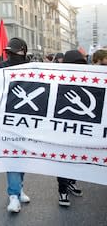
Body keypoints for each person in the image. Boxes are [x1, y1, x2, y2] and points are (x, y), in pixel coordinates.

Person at [0, 37, 31, 213]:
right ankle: (13, 196)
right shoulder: (0, 67)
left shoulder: (33, 68)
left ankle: (19, 188)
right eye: (9, 52)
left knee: (23, 158)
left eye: (15, 52)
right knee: (13, 158)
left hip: (28, 120)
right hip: (7, 120)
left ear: (24, 51)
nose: (11, 55)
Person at [56, 49, 86, 207]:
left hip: (79, 129)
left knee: (75, 159)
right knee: (62, 160)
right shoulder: (58, 79)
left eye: (81, 64)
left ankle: (71, 182)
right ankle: (62, 190)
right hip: (62, 129)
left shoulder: (89, 79)